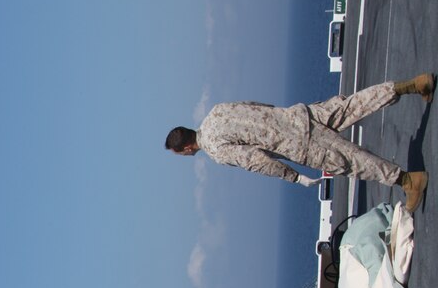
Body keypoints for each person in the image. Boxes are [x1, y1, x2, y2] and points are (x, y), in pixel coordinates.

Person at [165, 74, 433, 212]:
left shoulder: (215, 150)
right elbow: (257, 106)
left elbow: (257, 161)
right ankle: (412, 85)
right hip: (299, 115)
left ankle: (409, 181)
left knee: (352, 161)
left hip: (299, 144)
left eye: (180, 153)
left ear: (187, 148)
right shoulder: (216, 111)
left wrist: (294, 178)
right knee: (353, 105)